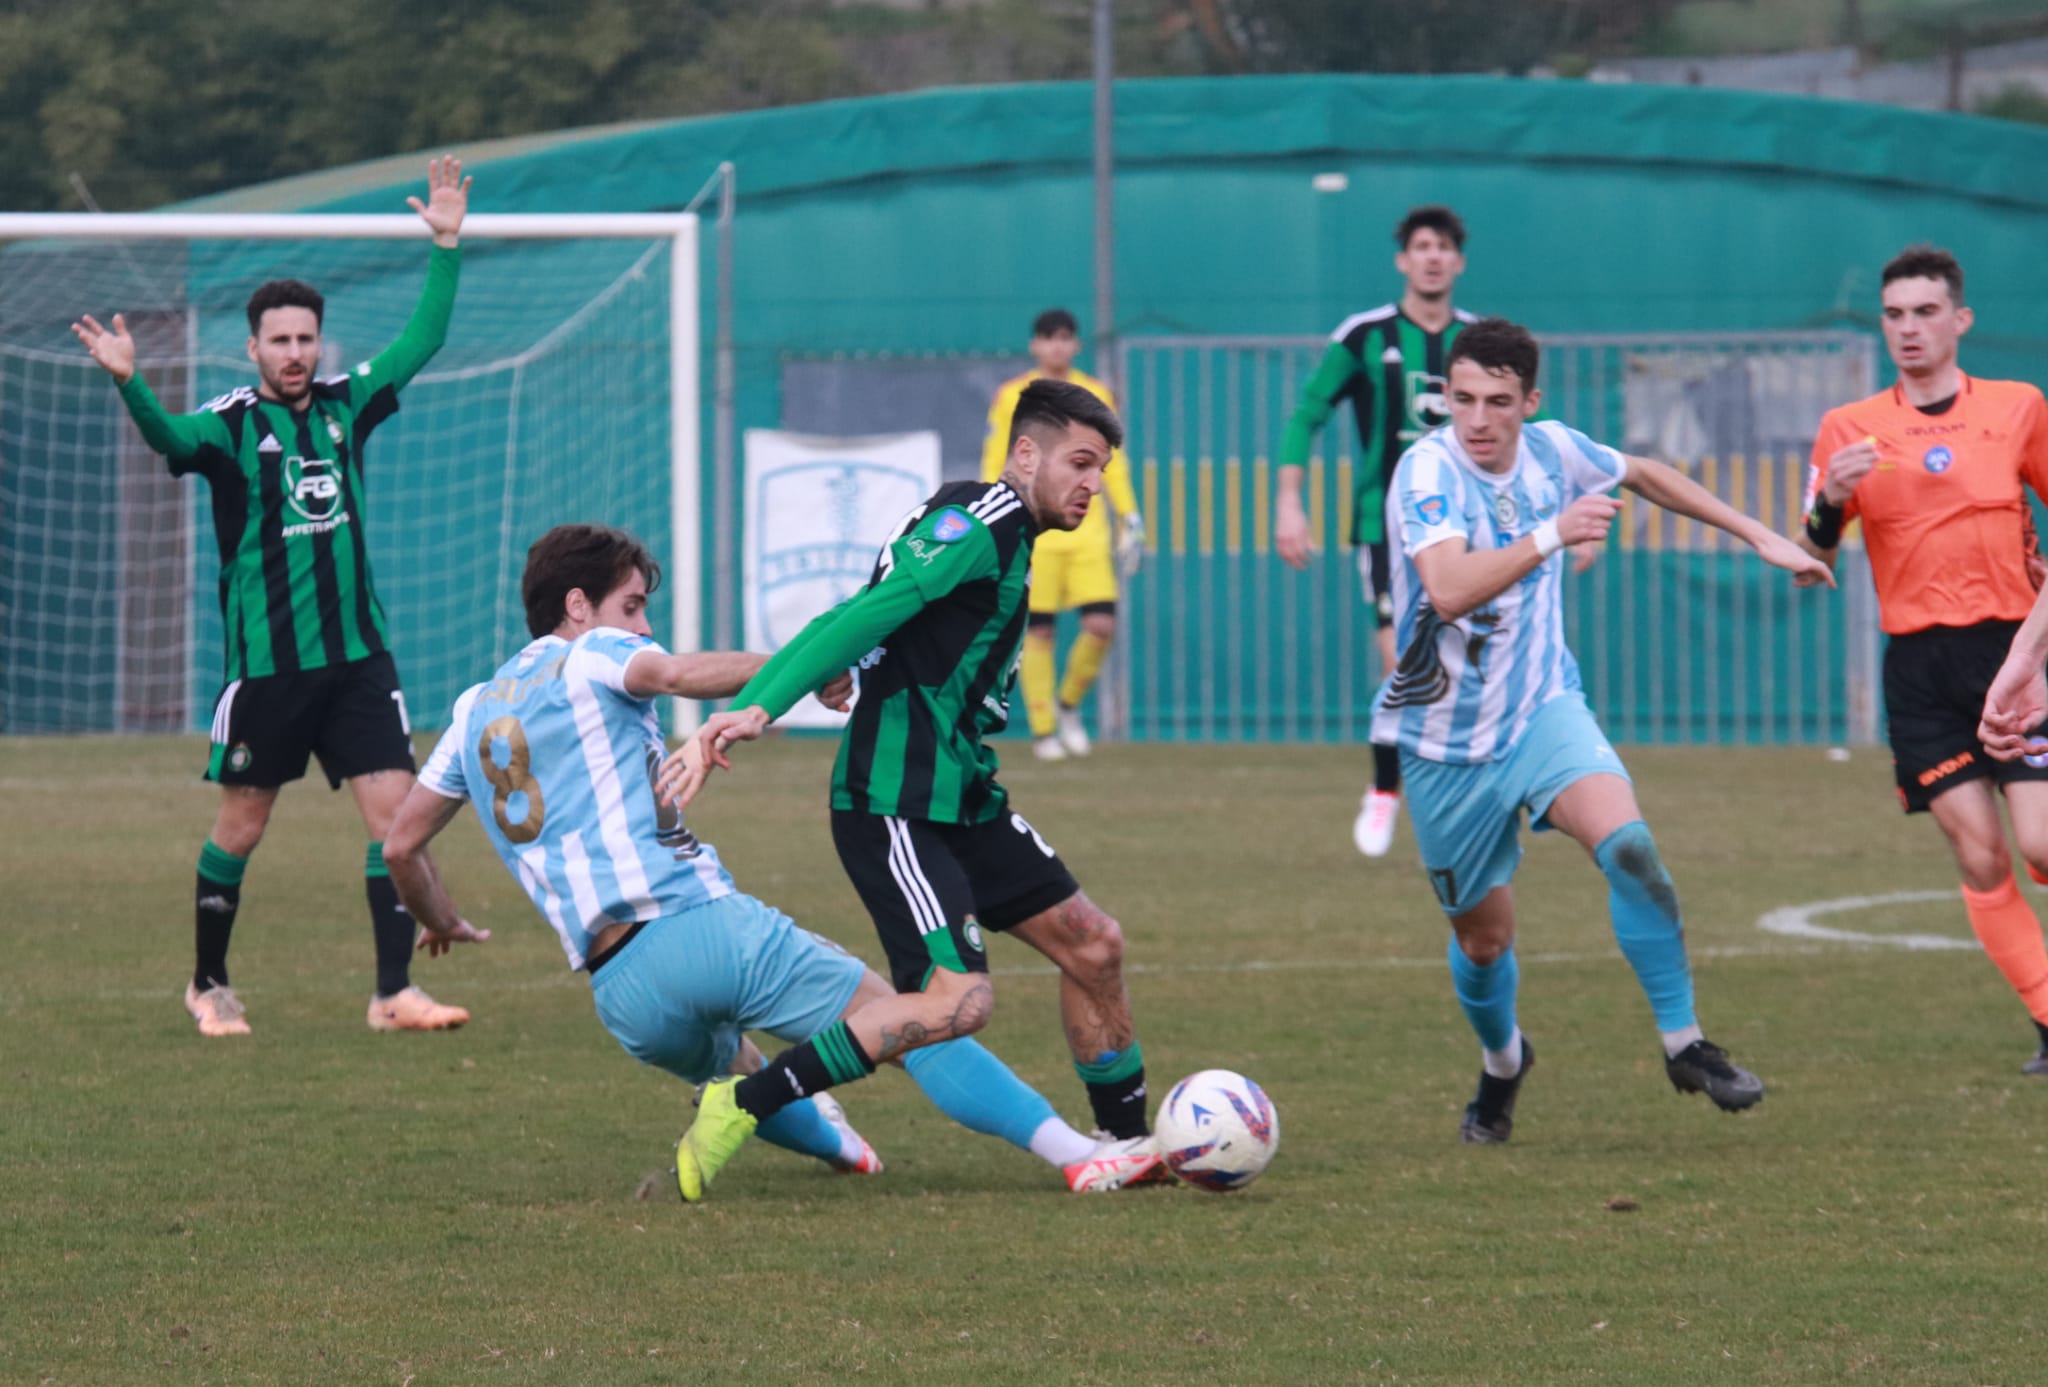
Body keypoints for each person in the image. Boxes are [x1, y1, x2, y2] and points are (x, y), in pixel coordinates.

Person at [380, 524, 1159, 1197]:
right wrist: (807, 666)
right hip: (696, 927)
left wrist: (436, 914)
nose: (644, 627)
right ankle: (1081, 1155)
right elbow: (678, 674)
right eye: (631, 607)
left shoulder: (472, 708)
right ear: (577, 606)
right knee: (917, 1015)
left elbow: (401, 843)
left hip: (619, 995)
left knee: (729, 1066)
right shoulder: (588, 655)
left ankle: (845, 1149)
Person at [665, 380, 1162, 1199]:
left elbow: (896, 619)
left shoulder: (988, 524)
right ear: (1026, 453)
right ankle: (741, 1102)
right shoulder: (984, 521)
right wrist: (761, 702)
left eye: (1101, 470)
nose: (1091, 484)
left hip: (963, 795)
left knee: (1094, 943)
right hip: (895, 803)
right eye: (1079, 462)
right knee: (955, 1003)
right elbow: (870, 609)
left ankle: (1127, 1143)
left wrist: (853, 670)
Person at [1383, 317, 1830, 1144]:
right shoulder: (1426, 470)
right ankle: (1504, 1063)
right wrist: (1553, 533)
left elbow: (1647, 473)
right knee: (1484, 943)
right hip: (1446, 746)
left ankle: (1684, 1041)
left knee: (1629, 846)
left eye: (1499, 402)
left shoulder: (1555, 450)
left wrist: (1764, 536)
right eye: (1463, 399)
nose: (1477, 420)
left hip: (1543, 709)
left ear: (1531, 402)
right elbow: (1445, 588)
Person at [71, 158, 474, 1038]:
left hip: (359, 660)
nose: (295, 353)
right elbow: (167, 436)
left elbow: (422, 341)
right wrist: (130, 380)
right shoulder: (225, 427)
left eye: (306, 339)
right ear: (251, 347)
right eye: (279, 340)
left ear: (319, 344)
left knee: (397, 822)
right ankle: (209, 983)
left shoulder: (347, 405)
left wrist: (445, 244)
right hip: (269, 672)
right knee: (242, 829)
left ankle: (391, 992)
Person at [1276, 206, 1593, 859]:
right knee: (1406, 660)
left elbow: (1546, 431)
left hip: (1484, 525)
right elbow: (1307, 413)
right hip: (1390, 529)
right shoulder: (1366, 335)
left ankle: (1507, 779)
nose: (1432, 257)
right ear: (1403, 259)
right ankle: (1386, 788)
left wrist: (1581, 506)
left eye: (1444, 247)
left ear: (1459, 261)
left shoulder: (1481, 341)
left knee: (1488, 660)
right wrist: (1288, 501)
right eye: (1421, 246)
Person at [1804, 245, 2048, 1074]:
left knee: (2043, 846)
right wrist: (1830, 499)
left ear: (1960, 319)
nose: (1908, 328)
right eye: (1894, 314)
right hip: (1918, 668)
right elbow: (1816, 555)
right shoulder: (1848, 429)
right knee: (1980, 853)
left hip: (2014, 655)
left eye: (1924, 311)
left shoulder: (2017, 407)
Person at [980, 308, 1144, 761]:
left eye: (1065, 337)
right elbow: (998, 456)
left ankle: (1068, 705)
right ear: (1035, 345)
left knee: (1100, 625)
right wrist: (994, 516)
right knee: (1039, 634)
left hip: (1086, 531)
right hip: (1037, 531)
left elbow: (1113, 463)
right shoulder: (1012, 395)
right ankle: (1044, 731)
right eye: (1048, 338)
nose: (1057, 345)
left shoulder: (1095, 394)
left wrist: (1128, 515)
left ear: (1076, 345)